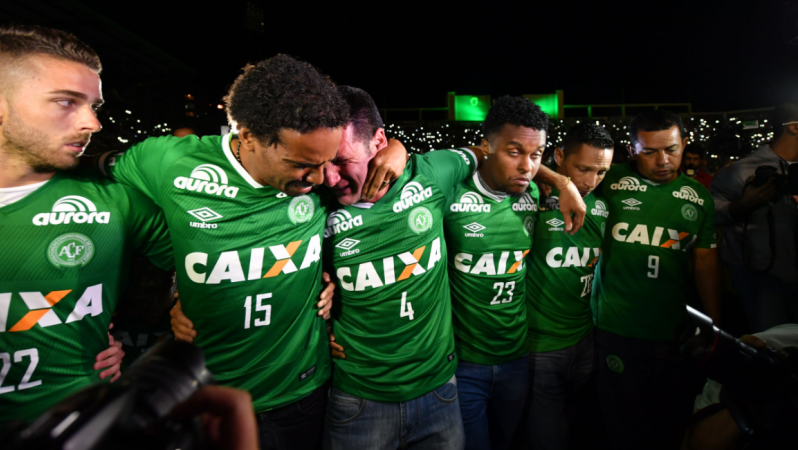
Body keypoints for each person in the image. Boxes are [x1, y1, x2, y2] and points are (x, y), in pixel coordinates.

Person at [96, 57, 406, 450]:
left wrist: (397, 148)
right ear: (247, 137)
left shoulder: (321, 178)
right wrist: (177, 289)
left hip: (302, 392)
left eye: (328, 162)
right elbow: (95, 171)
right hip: (205, 393)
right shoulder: (169, 162)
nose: (321, 179)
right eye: (302, 164)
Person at [0, 24, 171, 423]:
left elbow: (206, 260)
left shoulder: (115, 200)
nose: (92, 123)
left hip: (91, 422)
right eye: (66, 102)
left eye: (93, 106)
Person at [592, 110, 721, 450]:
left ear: (685, 144)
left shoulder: (699, 196)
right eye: (650, 152)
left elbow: (706, 265)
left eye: (672, 149)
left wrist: (716, 325)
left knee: (669, 422)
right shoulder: (607, 179)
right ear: (633, 149)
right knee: (622, 424)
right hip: (615, 327)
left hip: (673, 331)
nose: (663, 160)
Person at [444, 96, 546, 450]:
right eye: (514, 152)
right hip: (463, 362)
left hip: (517, 357)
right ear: (485, 146)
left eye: (536, 155)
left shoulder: (532, 193)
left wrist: (562, 184)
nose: (527, 166)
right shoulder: (452, 192)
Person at [525, 123, 613, 450]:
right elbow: (492, 155)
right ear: (559, 156)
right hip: (541, 345)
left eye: (602, 171)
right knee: (549, 434)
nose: (591, 182)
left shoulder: (603, 206)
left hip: (586, 339)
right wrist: (556, 180)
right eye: (583, 169)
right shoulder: (529, 197)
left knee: (576, 424)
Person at [711, 103, 798, 332]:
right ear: (794, 128)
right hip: (763, 281)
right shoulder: (744, 171)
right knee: (772, 348)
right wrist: (742, 206)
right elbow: (707, 213)